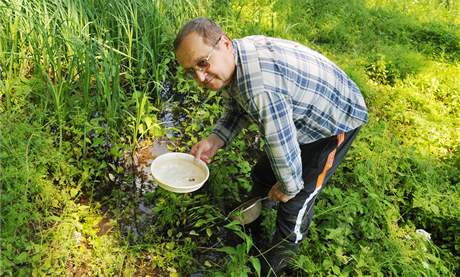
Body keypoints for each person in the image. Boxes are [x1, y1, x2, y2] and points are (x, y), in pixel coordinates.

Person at [174, 17, 368, 276]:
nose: (199, 77)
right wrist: (215, 139)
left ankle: (275, 263)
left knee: (295, 201)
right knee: (266, 174)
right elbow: (237, 107)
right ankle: (251, 217)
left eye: (202, 63)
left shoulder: (260, 88)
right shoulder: (234, 62)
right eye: (191, 71)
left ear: (225, 44)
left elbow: (279, 142)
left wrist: (288, 186)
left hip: (334, 120)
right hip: (299, 110)